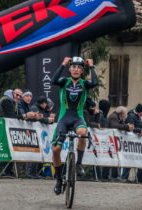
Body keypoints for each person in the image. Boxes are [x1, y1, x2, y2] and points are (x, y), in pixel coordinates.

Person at [50, 56, 98, 195]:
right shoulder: (64, 81)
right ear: (70, 69)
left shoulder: (85, 83)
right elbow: (53, 80)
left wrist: (92, 66)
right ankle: (59, 180)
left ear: (82, 70)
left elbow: (95, 82)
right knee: (55, 150)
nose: (76, 70)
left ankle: (78, 164)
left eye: (79, 68)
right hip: (64, 119)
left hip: (78, 117)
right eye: (73, 67)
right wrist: (63, 64)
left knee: (83, 133)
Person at [121, 104, 142, 183]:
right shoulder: (132, 116)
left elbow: (138, 126)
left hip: (135, 141)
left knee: (134, 158)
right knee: (129, 158)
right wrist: (139, 130)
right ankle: (124, 177)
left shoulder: (136, 116)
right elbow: (132, 127)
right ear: (140, 111)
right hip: (130, 140)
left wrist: (140, 130)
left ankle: (130, 177)